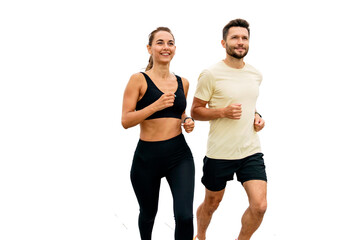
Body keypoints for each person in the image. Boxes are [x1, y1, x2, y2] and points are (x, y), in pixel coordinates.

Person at [191, 19, 267, 240]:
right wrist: (222, 112)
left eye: (244, 38)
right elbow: (195, 111)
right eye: (234, 38)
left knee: (260, 206)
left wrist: (258, 116)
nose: (240, 42)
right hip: (220, 153)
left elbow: (249, 104)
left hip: (250, 150)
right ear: (223, 43)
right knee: (212, 203)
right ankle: (201, 235)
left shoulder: (255, 74)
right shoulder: (211, 74)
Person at [121, 27, 195, 240]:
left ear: (174, 48)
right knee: (148, 214)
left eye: (170, 43)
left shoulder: (183, 82)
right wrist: (154, 106)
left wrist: (186, 120)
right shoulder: (138, 79)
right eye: (160, 42)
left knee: (184, 216)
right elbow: (126, 121)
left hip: (179, 156)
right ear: (149, 48)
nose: (165, 47)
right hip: (147, 158)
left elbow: (179, 111)